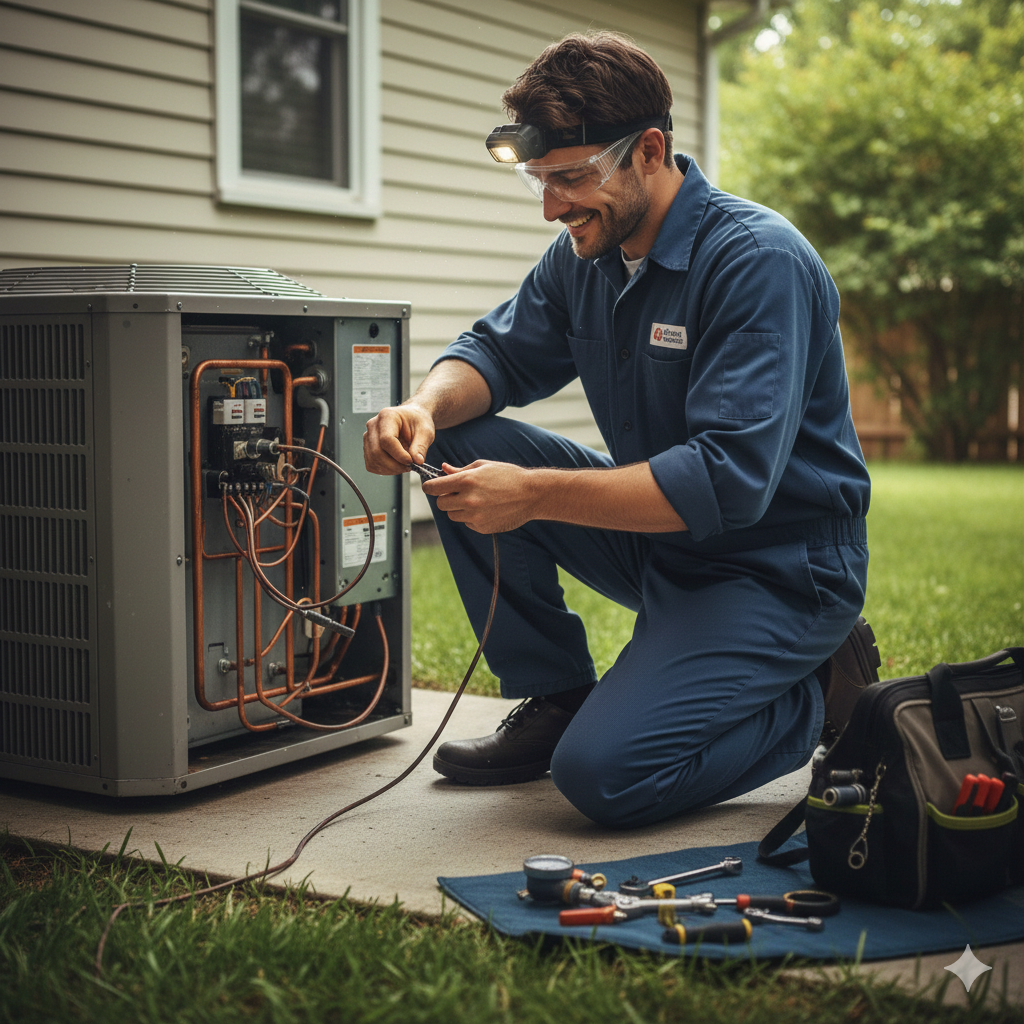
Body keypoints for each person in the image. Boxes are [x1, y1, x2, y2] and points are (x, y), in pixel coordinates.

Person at [363, 31, 880, 828]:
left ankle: (817, 692)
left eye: (572, 178)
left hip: (779, 565)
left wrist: (533, 495)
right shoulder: (583, 255)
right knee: (460, 444)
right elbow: (493, 352)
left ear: (649, 149)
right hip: (665, 544)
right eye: (539, 181)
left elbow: (725, 482)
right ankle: (559, 693)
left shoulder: (756, 261)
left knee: (606, 778)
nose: (551, 205)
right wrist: (423, 409)